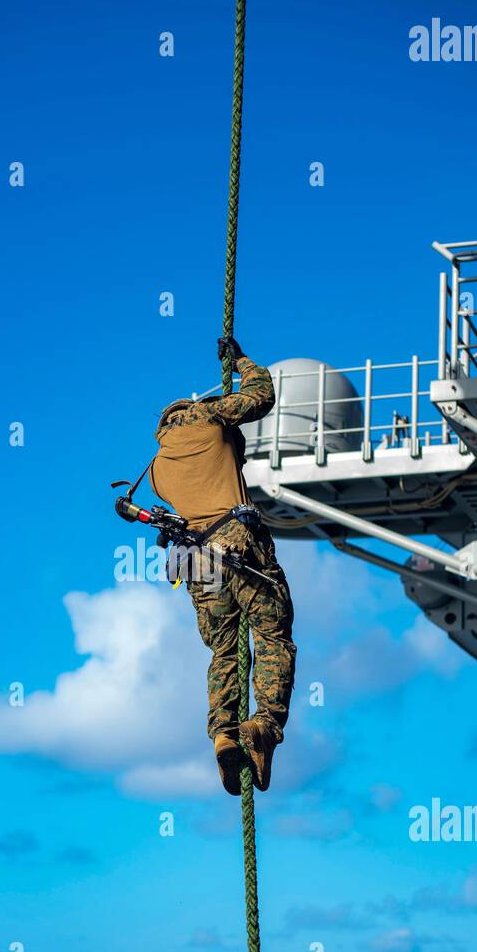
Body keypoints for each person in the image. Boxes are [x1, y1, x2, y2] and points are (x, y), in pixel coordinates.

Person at [149, 337, 296, 795]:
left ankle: (223, 735)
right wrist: (241, 360)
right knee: (272, 636)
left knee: (224, 651)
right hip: (238, 544)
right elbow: (261, 395)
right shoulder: (210, 417)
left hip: (196, 561)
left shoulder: (156, 468)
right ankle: (263, 727)